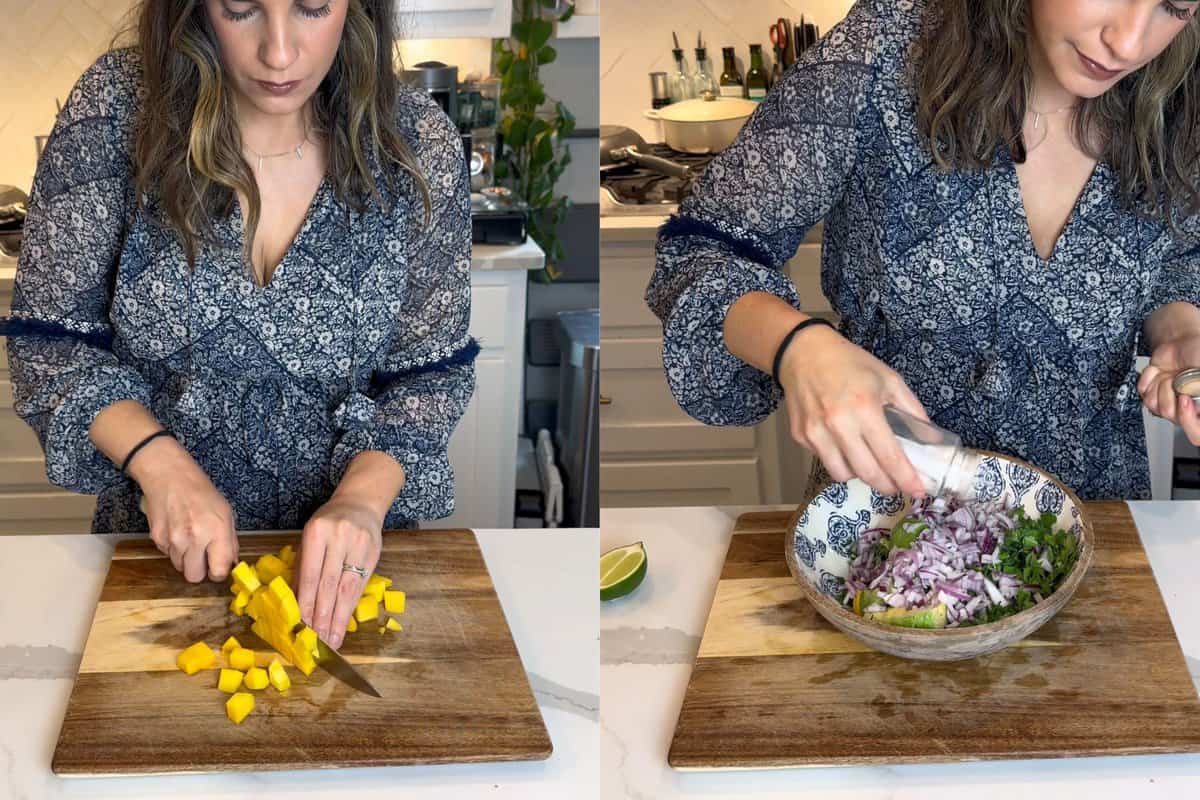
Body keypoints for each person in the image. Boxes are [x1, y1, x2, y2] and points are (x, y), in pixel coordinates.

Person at [0, 0, 475, 649]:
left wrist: (362, 500)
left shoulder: (417, 144)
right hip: (159, 566)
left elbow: (431, 375)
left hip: (350, 576)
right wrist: (160, 465)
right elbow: (51, 347)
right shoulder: (115, 111)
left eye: (312, 7)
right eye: (240, 8)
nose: (278, 53)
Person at [648, 0, 1200, 506]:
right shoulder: (882, 54)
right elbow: (699, 252)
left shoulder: (1182, 93)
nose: (1128, 43)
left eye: (1174, 5)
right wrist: (797, 346)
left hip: (1096, 518)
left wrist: (1180, 330)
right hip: (886, 522)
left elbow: (1176, 257)